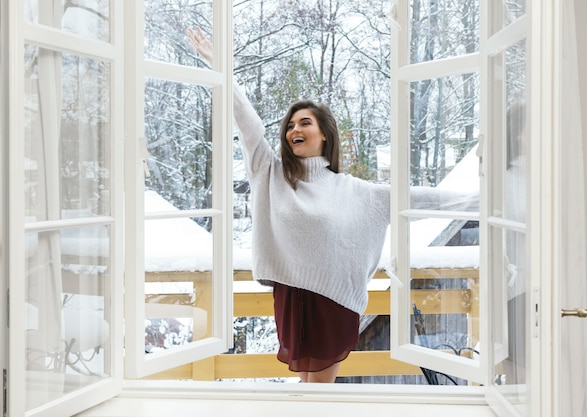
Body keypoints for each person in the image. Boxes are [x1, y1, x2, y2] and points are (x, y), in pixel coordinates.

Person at [187, 27, 477, 383]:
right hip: (292, 297)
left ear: (324, 133)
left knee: (318, 391)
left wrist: (481, 200)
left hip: (333, 302)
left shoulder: (357, 192)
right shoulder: (271, 173)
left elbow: (419, 197)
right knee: (308, 388)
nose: (295, 128)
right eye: (290, 124)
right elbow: (249, 127)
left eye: (305, 122)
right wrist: (223, 73)